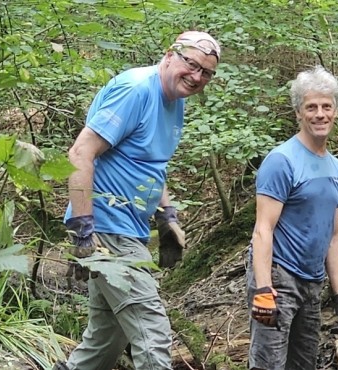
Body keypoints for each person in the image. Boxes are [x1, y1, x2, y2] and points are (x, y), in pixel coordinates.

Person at [53, 31, 220, 370]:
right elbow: (79, 153)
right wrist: (83, 229)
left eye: (206, 72)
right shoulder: (137, 90)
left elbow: (149, 163)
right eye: (192, 64)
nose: (197, 76)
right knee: (152, 332)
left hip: (131, 229)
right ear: (169, 54)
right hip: (106, 228)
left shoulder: (176, 101)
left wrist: (166, 213)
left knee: (107, 338)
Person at [246, 66, 338, 370]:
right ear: (298, 112)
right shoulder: (282, 161)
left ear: (335, 111)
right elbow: (262, 230)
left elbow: (334, 236)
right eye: (311, 107)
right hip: (280, 275)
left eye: (326, 106)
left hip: (312, 281)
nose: (320, 114)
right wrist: (263, 289)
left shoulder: (336, 168)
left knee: (304, 364)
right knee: (269, 364)